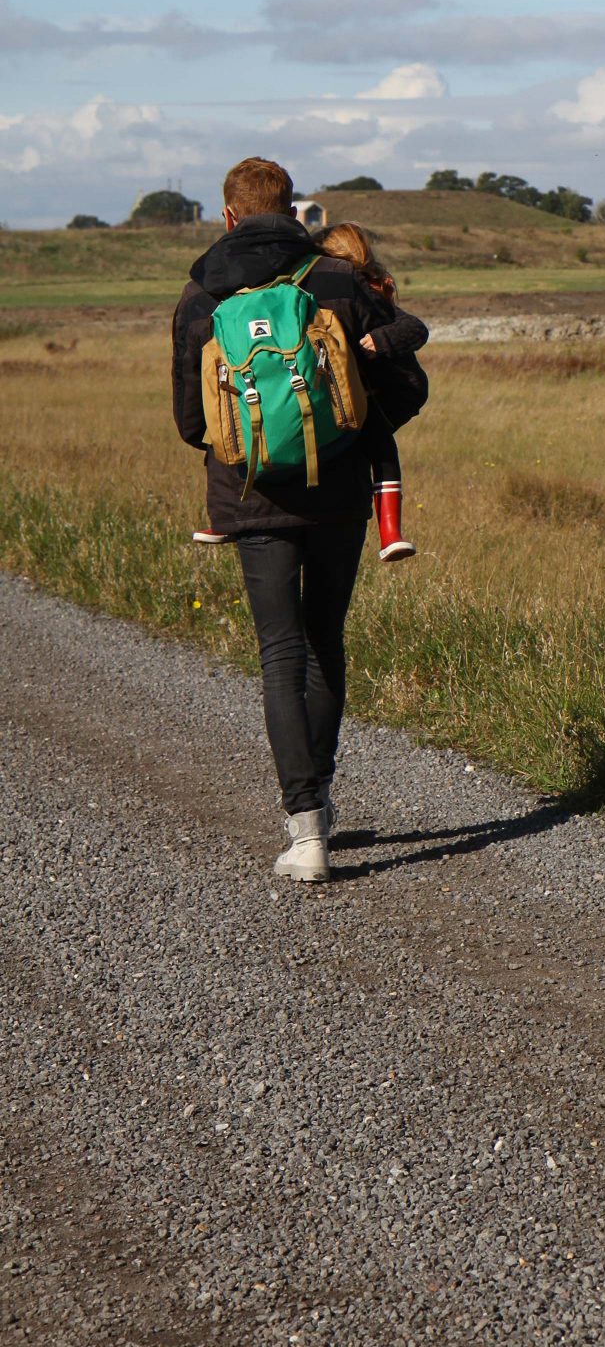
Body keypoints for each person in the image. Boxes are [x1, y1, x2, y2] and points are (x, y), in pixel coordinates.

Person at [172, 158, 428, 884]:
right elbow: (404, 382)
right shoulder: (338, 281)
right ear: (294, 212)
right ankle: (320, 791)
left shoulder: (199, 293)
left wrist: (250, 442)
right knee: (325, 640)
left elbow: (192, 423)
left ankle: (305, 829)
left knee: (280, 652)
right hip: (342, 488)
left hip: (251, 499)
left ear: (226, 217)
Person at [314, 220, 428, 563]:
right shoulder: (362, 286)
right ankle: (390, 532)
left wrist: (380, 336)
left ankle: (390, 533)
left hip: (349, 396)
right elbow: (416, 329)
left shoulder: (351, 286)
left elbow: (413, 328)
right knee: (381, 450)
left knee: (379, 445)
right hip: (363, 398)